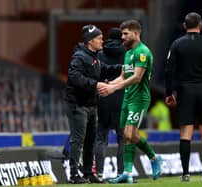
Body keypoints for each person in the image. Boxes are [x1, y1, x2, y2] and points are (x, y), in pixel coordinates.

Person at [98, 19, 162, 184]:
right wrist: (109, 84)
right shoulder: (127, 53)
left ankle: (153, 158)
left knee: (127, 134)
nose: (123, 37)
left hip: (139, 99)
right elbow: (124, 75)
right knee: (129, 136)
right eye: (122, 34)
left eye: (126, 34)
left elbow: (136, 77)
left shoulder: (143, 52)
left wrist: (114, 89)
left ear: (136, 33)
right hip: (127, 98)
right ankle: (127, 173)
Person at [164, 12, 202, 182]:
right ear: (200, 25)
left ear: (185, 25)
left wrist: (170, 93)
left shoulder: (177, 44)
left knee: (186, 132)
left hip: (185, 90)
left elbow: (169, 71)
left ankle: (185, 173)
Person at [64, 24, 122, 184]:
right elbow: (74, 77)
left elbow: (106, 69)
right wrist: (95, 84)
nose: (102, 40)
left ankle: (88, 173)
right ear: (90, 41)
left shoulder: (94, 56)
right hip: (77, 104)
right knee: (78, 139)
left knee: (90, 139)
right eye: (99, 38)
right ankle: (74, 174)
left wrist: (125, 68)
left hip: (91, 104)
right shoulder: (79, 57)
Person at [95, 28, 126, 180]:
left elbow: (96, 75)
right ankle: (121, 173)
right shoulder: (127, 54)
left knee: (101, 137)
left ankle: (99, 174)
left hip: (103, 99)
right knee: (122, 139)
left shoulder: (99, 54)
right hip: (122, 99)